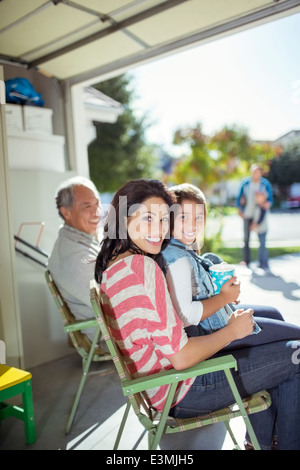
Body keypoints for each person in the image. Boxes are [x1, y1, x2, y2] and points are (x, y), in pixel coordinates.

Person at [94, 178, 300, 450]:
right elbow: (181, 357)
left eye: (163, 220)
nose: (158, 230)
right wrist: (232, 332)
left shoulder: (113, 268)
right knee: (296, 354)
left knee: (276, 353)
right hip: (182, 390)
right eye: (147, 218)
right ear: (123, 218)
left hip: (161, 388)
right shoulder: (142, 267)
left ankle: (262, 443)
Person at [157, 182, 300, 350]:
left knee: (274, 313)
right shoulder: (177, 258)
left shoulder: (179, 249)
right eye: (184, 217)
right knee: (294, 341)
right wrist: (224, 297)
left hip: (219, 320)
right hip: (214, 335)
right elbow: (186, 316)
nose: (193, 224)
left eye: (199, 217)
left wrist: (223, 293)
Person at [48, 176, 102, 340]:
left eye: (97, 204)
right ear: (66, 212)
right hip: (108, 336)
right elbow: (108, 303)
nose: (96, 212)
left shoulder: (83, 238)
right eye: (87, 206)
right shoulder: (73, 254)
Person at [236, 164, 273, 269]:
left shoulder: (265, 184)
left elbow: (270, 199)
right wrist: (239, 210)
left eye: (257, 171)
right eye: (253, 171)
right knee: (246, 239)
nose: (255, 174)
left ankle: (263, 262)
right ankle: (247, 261)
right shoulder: (245, 183)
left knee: (261, 239)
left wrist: (267, 204)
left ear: (261, 173)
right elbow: (239, 198)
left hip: (259, 213)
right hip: (247, 214)